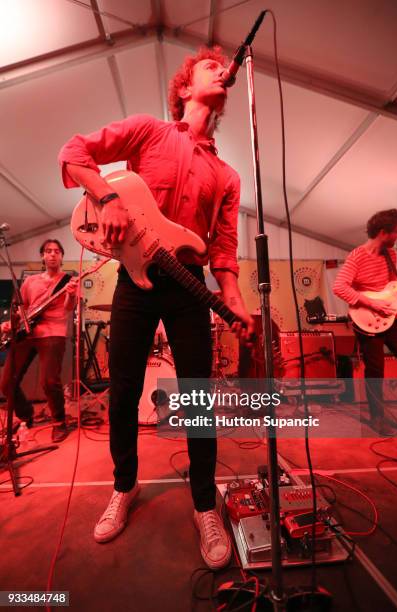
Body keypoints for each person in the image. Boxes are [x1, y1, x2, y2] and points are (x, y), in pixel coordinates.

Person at [59, 47, 254, 569]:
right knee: (121, 392)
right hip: (135, 280)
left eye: (223, 68)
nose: (221, 69)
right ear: (185, 89)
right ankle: (124, 487)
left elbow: (224, 253)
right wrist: (106, 196)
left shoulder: (229, 177)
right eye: (208, 66)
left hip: (189, 283)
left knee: (199, 397)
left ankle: (202, 504)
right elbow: (74, 151)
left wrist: (234, 305)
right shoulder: (149, 131)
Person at [333, 209, 397, 436]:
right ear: (384, 232)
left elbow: (390, 283)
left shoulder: (391, 254)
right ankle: (377, 417)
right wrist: (373, 304)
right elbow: (339, 287)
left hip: (390, 315)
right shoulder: (357, 255)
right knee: (376, 368)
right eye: (396, 232)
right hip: (366, 317)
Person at [1, 239, 78, 443]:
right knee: (6, 382)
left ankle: (59, 422)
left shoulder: (68, 281)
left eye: (56, 251)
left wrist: (71, 295)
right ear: (42, 256)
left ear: (62, 256)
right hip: (27, 333)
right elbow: (22, 307)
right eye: (48, 251)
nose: (52, 254)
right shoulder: (30, 282)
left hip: (53, 331)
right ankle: (26, 414)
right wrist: (12, 323)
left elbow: (69, 307)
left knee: (49, 381)